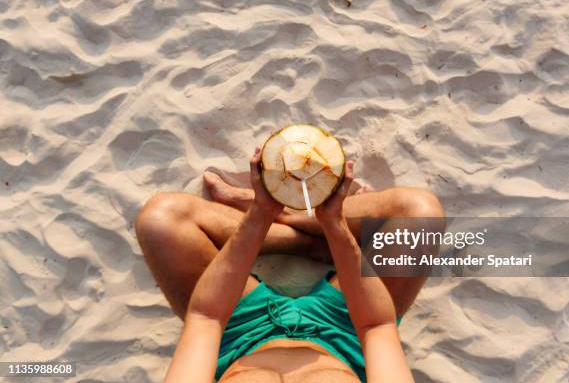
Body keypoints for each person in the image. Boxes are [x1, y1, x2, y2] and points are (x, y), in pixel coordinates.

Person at [136, 147, 444, 382]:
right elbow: (376, 326)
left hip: (237, 332)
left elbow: (208, 317)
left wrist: (260, 214)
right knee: (421, 214)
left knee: (161, 221)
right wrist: (335, 226)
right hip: (349, 334)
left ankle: (289, 227)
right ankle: (311, 232)